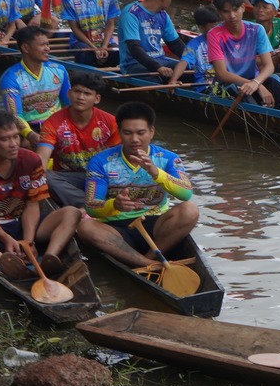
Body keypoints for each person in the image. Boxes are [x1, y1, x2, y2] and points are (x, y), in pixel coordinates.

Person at [0, 111, 84, 281]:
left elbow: (32, 204)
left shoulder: (31, 160)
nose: (14, 144)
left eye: (16, 137)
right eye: (5, 139)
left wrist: (28, 242)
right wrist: (4, 237)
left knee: (72, 212)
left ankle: (50, 256)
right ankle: (4, 261)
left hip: (24, 223)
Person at [74, 100, 200, 270]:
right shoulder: (101, 161)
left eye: (141, 133)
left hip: (156, 225)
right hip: (117, 228)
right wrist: (114, 205)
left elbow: (186, 194)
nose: (134, 139)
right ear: (119, 132)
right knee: (86, 227)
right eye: (127, 133)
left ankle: (149, 258)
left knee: (190, 210)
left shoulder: (168, 158)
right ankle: (148, 264)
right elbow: (91, 207)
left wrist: (156, 172)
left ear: (151, 132)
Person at [34, 72, 117, 209]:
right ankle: (93, 206)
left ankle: (97, 203)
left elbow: (121, 158)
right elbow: (42, 158)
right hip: (69, 177)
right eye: (77, 91)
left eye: (87, 93)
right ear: (69, 93)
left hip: (102, 176)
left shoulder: (110, 122)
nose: (80, 97)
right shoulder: (53, 122)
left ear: (97, 99)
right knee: (45, 176)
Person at [0, 25, 71, 132]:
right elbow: (15, 116)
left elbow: (69, 104)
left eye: (48, 44)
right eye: (42, 45)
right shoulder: (11, 78)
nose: (48, 49)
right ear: (26, 48)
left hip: (57, 125)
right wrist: (30, 135)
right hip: (29, 128)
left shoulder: (59, 70)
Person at [59, 0, 120, 66]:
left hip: (105, 41)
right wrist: (93, 48)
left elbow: (110, 25)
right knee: (86, 56)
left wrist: (104, 46)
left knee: (118, 54)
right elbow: (74, 28)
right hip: (81, 42)